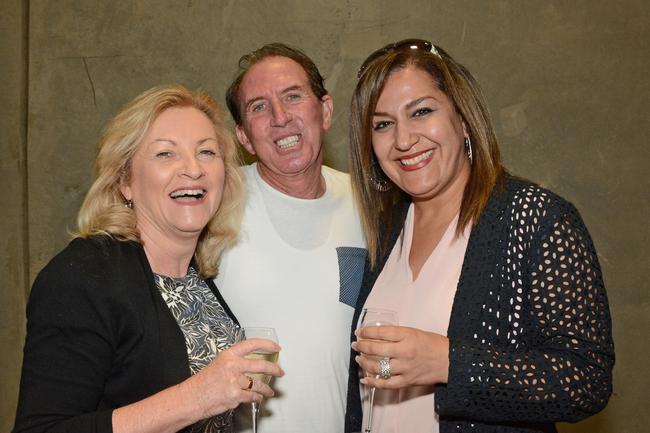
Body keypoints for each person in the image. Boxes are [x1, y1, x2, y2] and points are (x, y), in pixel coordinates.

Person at [345, 39, 614, 433]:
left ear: (463, 117)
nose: (403, 140)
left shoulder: (534, 218)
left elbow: (585, 381)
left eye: (421, 111)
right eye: (383, 124)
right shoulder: (385, 232)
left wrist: (450, 364)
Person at [13, 84, 283, 433]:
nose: (193, 169)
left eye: (206, 152)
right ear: (125, 180)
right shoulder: (82, 277)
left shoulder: (196, 278)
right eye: (165, 154)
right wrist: (195, 398)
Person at [215, 43, 366, 433]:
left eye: (293, 96)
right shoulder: (212, 206)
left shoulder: (370, 207)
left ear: (326, 110)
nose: (280, 117)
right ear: (244, 136)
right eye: (259, 107)